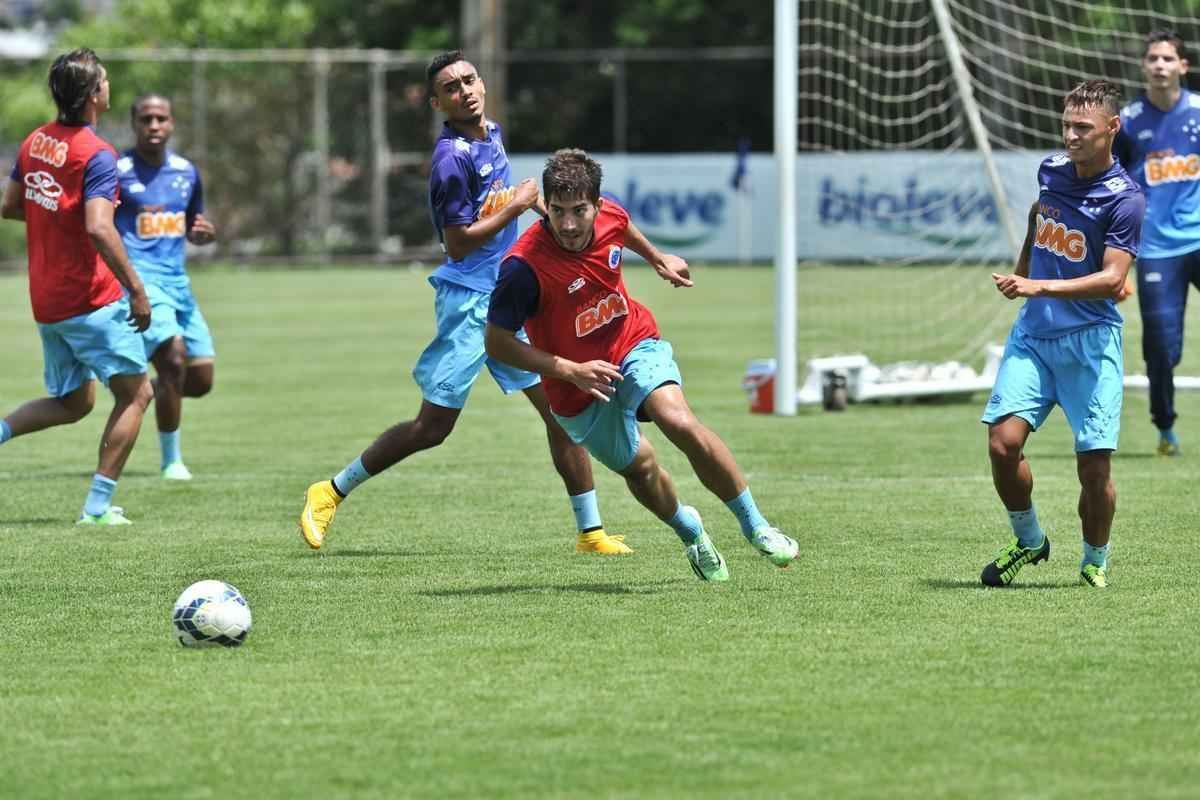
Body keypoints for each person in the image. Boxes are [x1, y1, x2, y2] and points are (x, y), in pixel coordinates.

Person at [299, 51, 628, 555]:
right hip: (471, 304)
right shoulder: (451, 159)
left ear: (482, 84)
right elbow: (458, 242)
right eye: (451, 88)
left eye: (469, 80)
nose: (465, 91)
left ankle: (591, 532)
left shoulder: (490, 133)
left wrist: (539, 211)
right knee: (433, 427)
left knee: (561, 410)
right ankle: (330, 491)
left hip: (512, 298)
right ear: (438, 103)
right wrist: (517, 206)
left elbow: (505, 198)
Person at [484, 148, 799, 581]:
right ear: (547, 209)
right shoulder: (523, 268)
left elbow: (624, 227)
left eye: (579, 211)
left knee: (679, 420)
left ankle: (757, 527)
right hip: (576, 392)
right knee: (642, 469)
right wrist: (570, 370)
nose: (569, 224)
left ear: (597, 204)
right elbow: (497, 342)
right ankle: (692, 534)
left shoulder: (610, 214)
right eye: (558, 212)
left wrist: (658, 258)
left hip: (632, 342)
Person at [981, 80, 1144, 589]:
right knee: (1003, 445)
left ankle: (1095, 557)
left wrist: (1039, 284)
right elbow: (1039, 213)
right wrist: (1023, 268)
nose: (1070, 136)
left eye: (1083, 128)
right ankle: (1029, 540)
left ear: (1111, 129)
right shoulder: (1052, 170)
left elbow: (1114, 278)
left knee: (1093, 471)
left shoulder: (1126, 200)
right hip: (1034, 335)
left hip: (1091, 344)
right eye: (1066, 125)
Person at [0, 48, 154, 524]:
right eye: (104, 80)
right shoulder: (98, 154)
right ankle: (97, 509)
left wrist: (54, 211)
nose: (108, 86)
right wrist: (137, 289)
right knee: (137, 393)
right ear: (93, 95)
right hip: (90, 301)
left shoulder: (34, 142)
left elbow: (9, 205)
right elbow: (98, 227)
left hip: (47, 301)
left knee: (74, 403)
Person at [114, 93, 217, 481]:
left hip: (179, 284)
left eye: (161, 118)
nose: (154, 125)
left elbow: (194, 223)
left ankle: (138, 392)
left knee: (201, 380)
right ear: (134, 124)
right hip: (142, 283)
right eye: (146, 119)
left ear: (172, 123)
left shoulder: (186, 172)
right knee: (173, 359)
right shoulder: (118, 171)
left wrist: (204, 233)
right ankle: (171, 461)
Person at [1112, 30, 1200, 456]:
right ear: (1144, 66)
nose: (1160, 65)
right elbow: (1111, 183)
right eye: (1153, 59)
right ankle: (1165, 428)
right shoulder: (1127, 122)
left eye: (1168, 58)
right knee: (1162, 346)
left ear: (1183, 65)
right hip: (1157, 249)